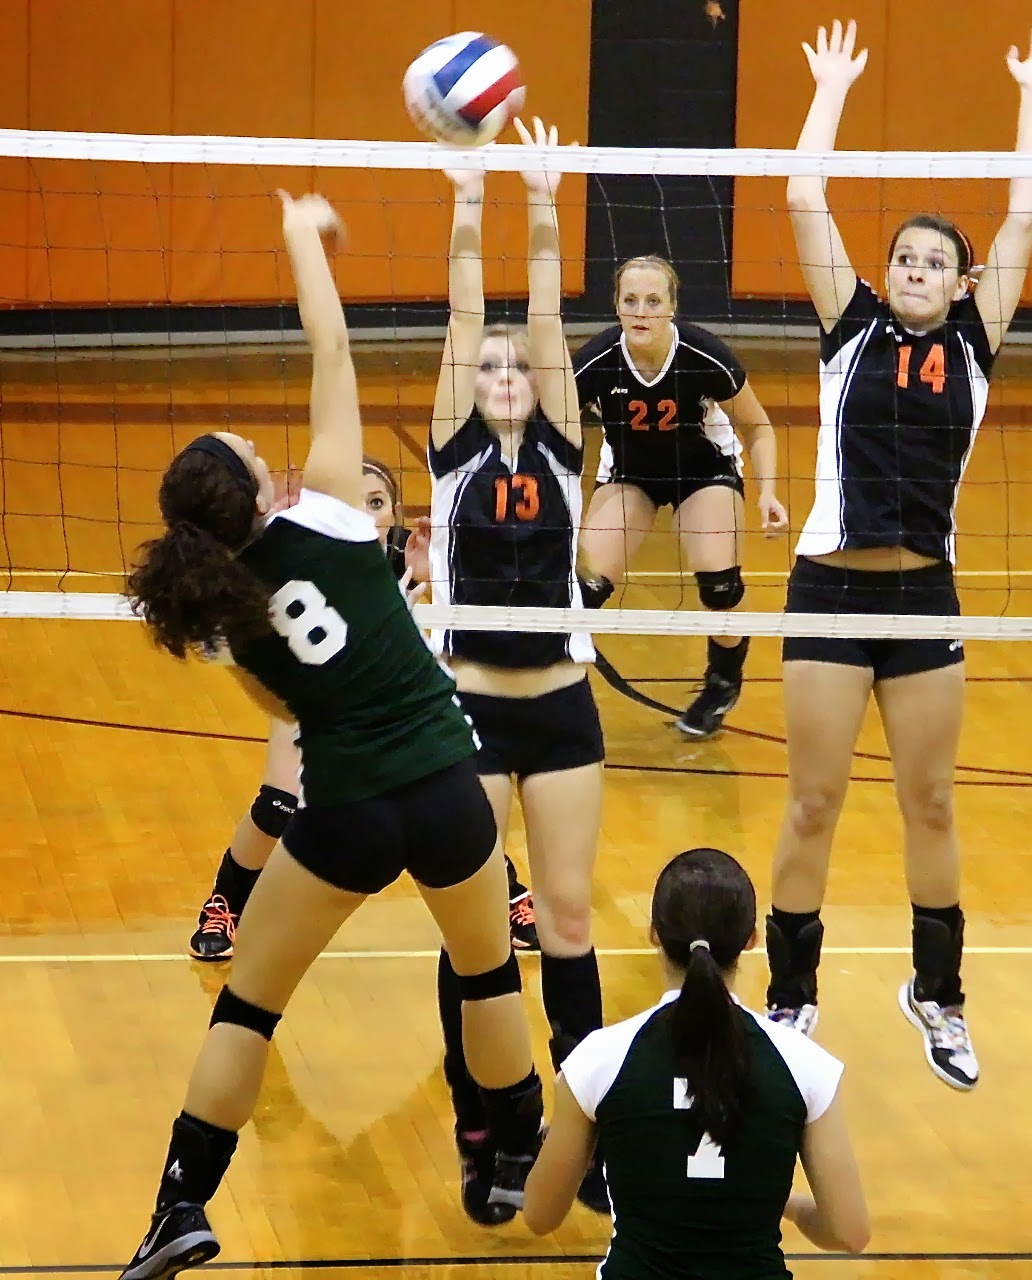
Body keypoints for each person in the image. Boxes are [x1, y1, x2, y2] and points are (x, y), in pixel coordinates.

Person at [117, 190, 544, 1279]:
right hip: (449, 781)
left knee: (252, 1002)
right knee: (488, 973)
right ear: (254, 489)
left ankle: (180, 1205)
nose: (266, 447)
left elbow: (290, 712)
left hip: (346, 804)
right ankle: (511, 1158)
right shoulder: (341, 511)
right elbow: (333, 348)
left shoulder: (220, 621)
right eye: (247, 449)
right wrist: (305, 237)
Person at [764, 18, 1032, 1090]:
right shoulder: (848, 328)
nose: (913, 267)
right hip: (824, 592)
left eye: (933, 260)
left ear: (959, 282)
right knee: (811, 801)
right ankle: (789, 995)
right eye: (902, 255)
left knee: (930, 801)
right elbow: (803, 199)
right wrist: (830, 90)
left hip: (923, 599)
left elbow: (1027, 212)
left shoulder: (972, 344)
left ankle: (936, 996)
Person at [421, 116, 607, 1221]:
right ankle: (485, 1127)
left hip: (561, 713)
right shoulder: (450, 449)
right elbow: (464, 312)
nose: (501, 373)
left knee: (571, 922)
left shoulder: (560, 439)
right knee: (479, 935)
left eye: (513, 366)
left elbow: (540, 320)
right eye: (485, 366)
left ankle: (584, 1136)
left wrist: (542, 204)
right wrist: (465, 198)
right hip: (474, 717)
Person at [188, 458, 539, 960]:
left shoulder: (402, 564)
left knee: (448, 793)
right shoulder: (312, 551)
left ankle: (505, 894)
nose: (366, 513)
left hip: (390, 719)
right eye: (357, 502)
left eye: (376, 504)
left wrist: (421, 578)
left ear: (392, 513)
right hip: (310, 702)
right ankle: (227, 901)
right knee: (279, 805)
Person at [523, 847, 870, 1275]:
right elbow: (850, 1232)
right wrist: (795, 1209)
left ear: (654, 933)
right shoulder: (805, 1065)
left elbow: (540, 1216)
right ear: (750, 941)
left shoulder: (598, 1059)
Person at [573, 257, 788, 739]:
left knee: (719, 587)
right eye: (630, 301)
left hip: (703, 472)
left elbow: (758, 426)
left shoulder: (703, 355)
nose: (641, 312)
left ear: (672, 307)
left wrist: (768, 493)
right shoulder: (595, 361)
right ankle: (557, 689)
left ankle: (722, 680)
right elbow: (553, 429)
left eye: (653, 301)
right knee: (582, 592)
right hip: (631, 475)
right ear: (616, 305)